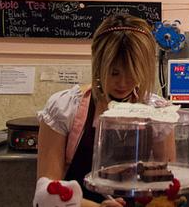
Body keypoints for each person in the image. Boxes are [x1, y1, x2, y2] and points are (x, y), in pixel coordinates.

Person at [37, 14, 167, 207]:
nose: (123, 83)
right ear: (98, 64)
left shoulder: (158, 112)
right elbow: (46, 193)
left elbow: (165, 186)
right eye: (114, 72)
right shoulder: (65, 108)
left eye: (133, 72)